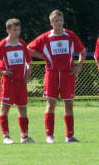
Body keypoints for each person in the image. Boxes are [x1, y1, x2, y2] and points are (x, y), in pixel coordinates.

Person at [27, 10, 87, 143]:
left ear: (63, 21)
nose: (58, 23)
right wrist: (44, 57)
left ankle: (69, 136)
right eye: (55, 21)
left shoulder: (70, 35)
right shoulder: (46, 37)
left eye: (60, 20)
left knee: (69, 104)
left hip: (67, 74)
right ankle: (49, 136)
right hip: (52, 73)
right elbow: (28, 49)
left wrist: (78, 67)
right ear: (51, 23)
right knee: (50, 104)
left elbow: (83, 51)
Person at [0, 18, 36, 144]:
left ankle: (25, 136)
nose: (17, 32)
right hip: (8, 83)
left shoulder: (22, 44)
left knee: (23, 109)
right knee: (4, 109)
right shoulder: (2, 45)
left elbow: (29, 62)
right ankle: (6, 136)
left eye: (18, 29)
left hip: (21, 83)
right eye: (14, 30)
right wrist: (2, 72)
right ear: (8, 31)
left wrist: (27, 75)